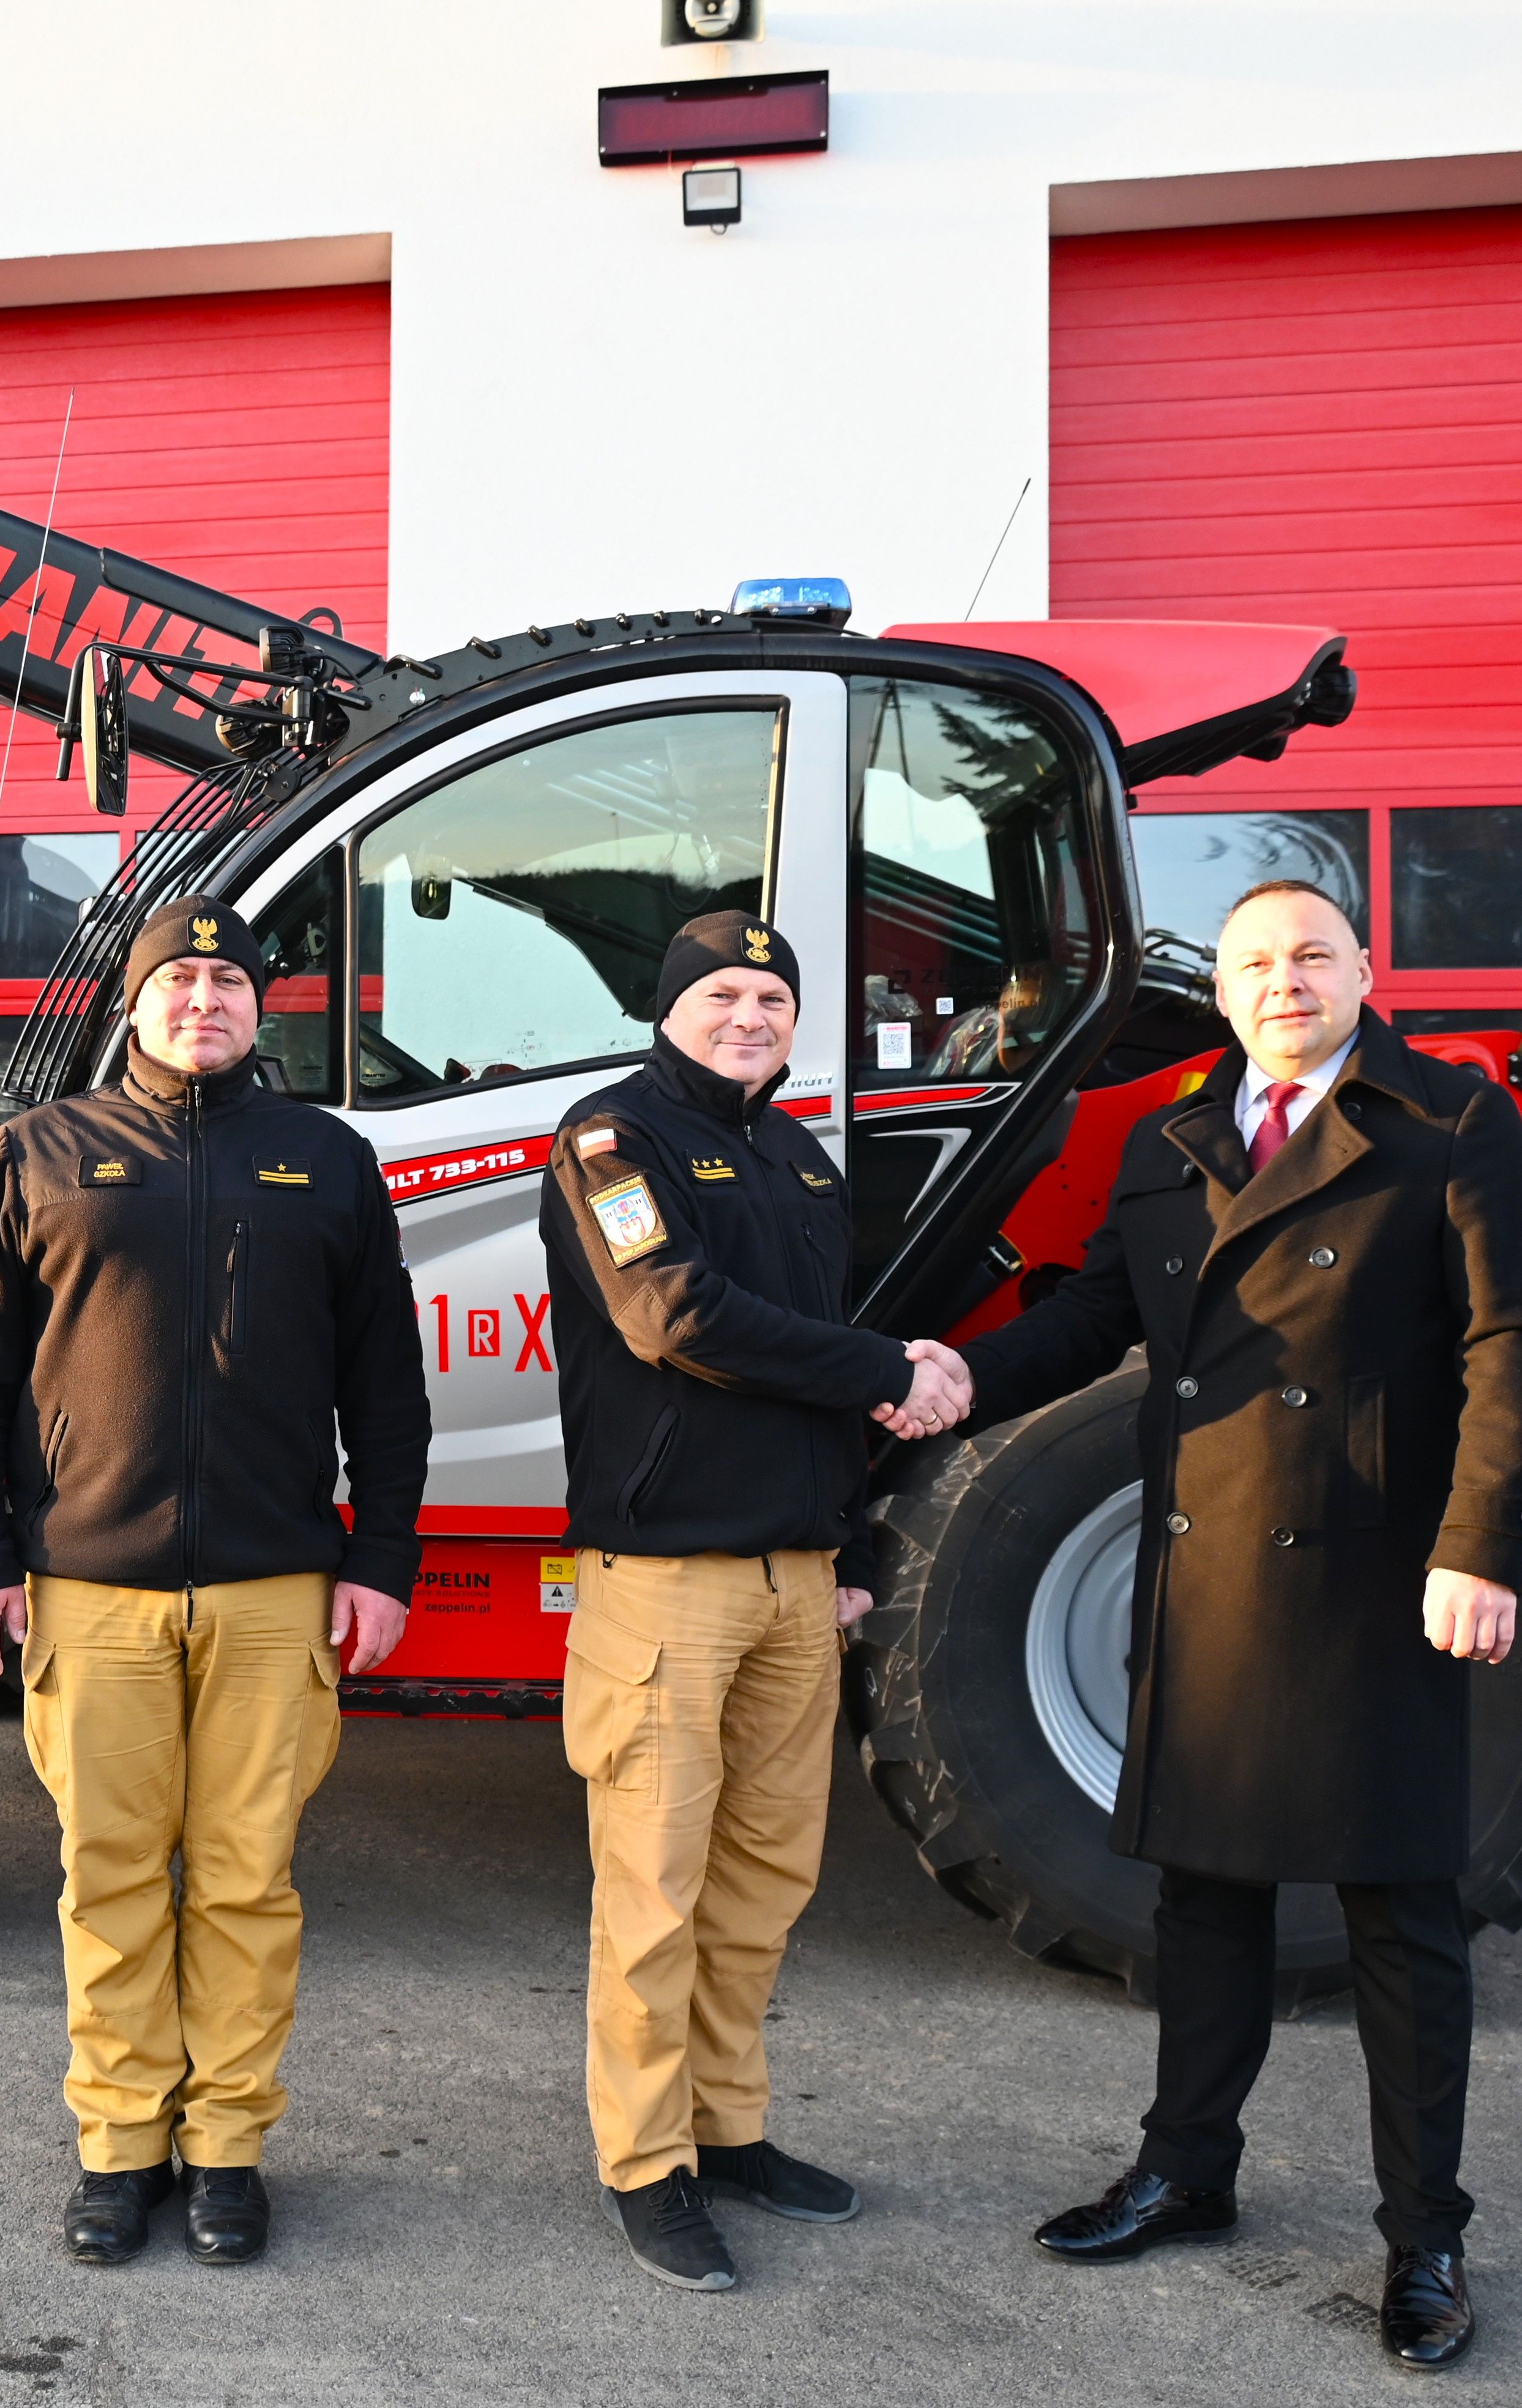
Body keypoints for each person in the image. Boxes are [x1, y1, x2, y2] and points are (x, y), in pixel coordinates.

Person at [895, 878, 1522, 2373]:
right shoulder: (1171, 1136)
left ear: (1365, 970)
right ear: (1224, 990)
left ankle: (1427, 2237)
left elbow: (1513, 1341)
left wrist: (1481, 1547)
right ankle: (1186, 2169)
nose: (1283, 979)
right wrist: (946, 1377)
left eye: (1312, 955)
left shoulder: (1446, 1122)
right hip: (1205, 1581)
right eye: (1256, 959)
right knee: (1204, 1903)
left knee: (1398, 1920)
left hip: (1378, 1581)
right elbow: (1089, 1319)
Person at [0, 893, 433, 2270]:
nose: (202, 998)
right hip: (91, 1591)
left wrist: (381, 1556)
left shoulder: (325, 1160)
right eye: (178, 978)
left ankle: (225, 2148)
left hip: (279, 1589)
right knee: (109, 1879)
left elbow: (387, 1380)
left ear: (261, 1007)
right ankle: (118, 2147)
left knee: (245, 1881)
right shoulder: (38, 1155)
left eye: (226, 979)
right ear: (132, 1003)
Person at [534, 909, 963, 2293]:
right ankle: (645, 2164)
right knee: (654, 1890)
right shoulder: (614, 1137)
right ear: (671, 1005)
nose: (750, 1014)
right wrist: (883, 1363)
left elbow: (810, 1383)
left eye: (773, 997)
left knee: (763, 1884)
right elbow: (673, 1315)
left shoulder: (797, 1155)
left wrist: (837, 1548)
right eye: (723, 990)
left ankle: (729, 2132)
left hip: (792, 1581)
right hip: (666, 1579)